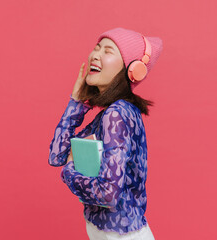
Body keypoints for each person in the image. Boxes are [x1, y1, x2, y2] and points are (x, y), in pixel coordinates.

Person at [48, 27, 163, 239]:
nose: (95, 55)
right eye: (96, 48)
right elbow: (57, 156)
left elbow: (108, 194)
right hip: (105, 231)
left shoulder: (117, 114)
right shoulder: (108, 114)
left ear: (132, 69)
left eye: (108, 51)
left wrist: (69, 173)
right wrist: (76, 102)